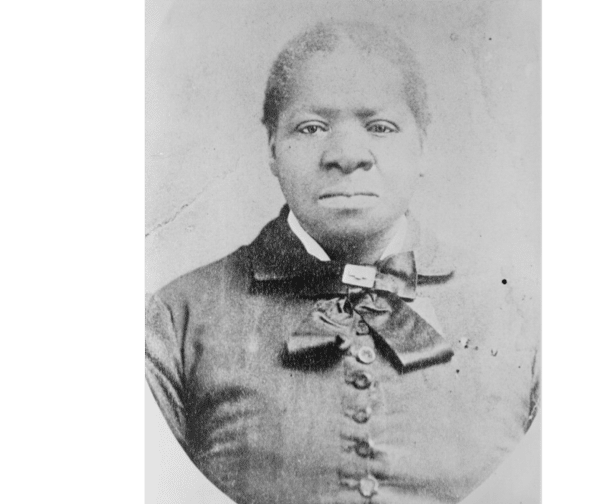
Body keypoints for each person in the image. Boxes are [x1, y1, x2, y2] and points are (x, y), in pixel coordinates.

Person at [145, 21, 539, 504]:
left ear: (422, 145)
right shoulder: (176, 320)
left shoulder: (522, 318)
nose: (347, 156)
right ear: (272, 147)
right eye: (311, 128)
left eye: (380, 127)